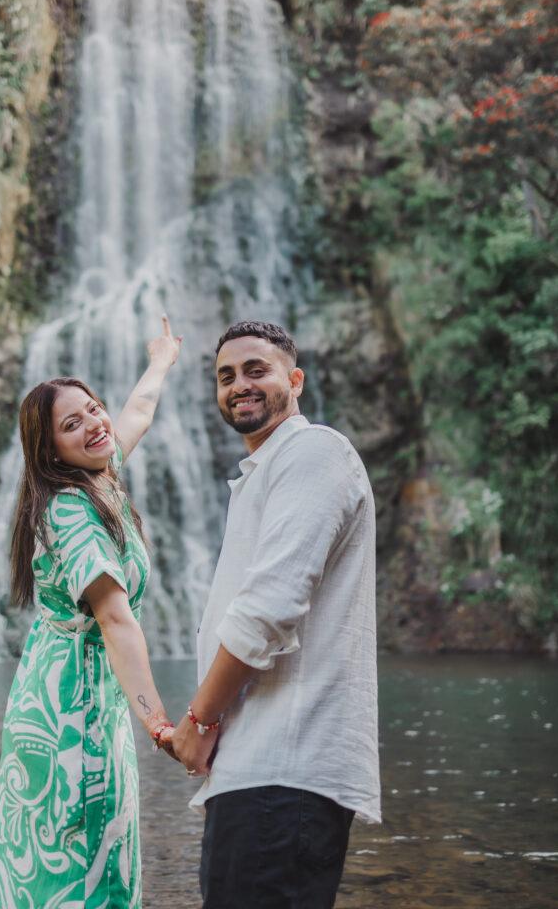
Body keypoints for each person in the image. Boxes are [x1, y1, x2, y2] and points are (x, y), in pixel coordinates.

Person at [172, 320, 381, 909]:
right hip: (258, 768)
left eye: (255, 370)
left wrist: (199, 724)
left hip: (285, 766)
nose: (239, 385)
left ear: (295, 379)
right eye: (225, 376)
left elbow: (270, 608)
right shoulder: (265, 476)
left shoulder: (314, 452)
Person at [0, 315, 181, 909]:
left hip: (65, 690)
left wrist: (163, 359)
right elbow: (116, 620)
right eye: (74, 423)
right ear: (52, 449)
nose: (96, 423)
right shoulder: (69, 508)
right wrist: (160, 724)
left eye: (93, 409)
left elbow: (138, 412)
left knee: (70, 848)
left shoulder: (94, 473)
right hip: (75, 706)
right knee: (82, 846)